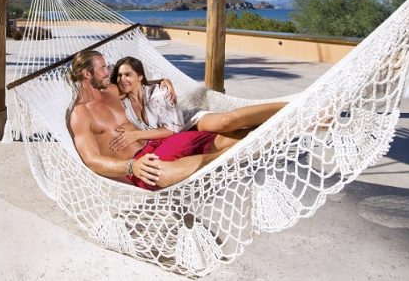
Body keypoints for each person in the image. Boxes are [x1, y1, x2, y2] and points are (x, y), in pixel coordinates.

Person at [67, 50, 235, 190]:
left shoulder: (111, 90)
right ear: (87, 73)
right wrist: (132, 166)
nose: (108, 72)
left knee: (219, 139)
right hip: (139, 165)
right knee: (162, 174)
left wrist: (162, 81)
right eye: (103, 68)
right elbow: (91, 160)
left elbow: (136, 84)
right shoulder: (80, 114)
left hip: (156, 144)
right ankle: (229, 157)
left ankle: (255, 138)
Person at [108, 56, 287, 153]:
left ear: (139, 77)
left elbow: (173, 129)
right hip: (175, 142)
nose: (122, 79)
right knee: (234, 137)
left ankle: (287, 108)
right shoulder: (123, 102)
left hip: (189, 123)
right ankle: (276, 130)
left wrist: (136, 135)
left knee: (226, 122)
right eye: (119, 75)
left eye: (128, 74)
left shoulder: (159, 94)